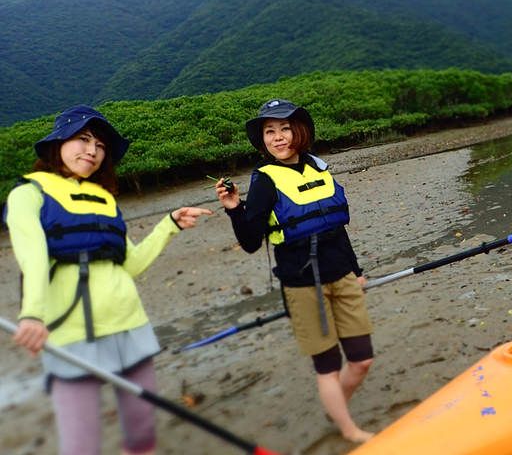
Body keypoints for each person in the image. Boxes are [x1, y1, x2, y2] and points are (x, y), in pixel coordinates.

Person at [6, 105, 212, 455]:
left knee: (143, 433)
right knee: (81, 446)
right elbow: (33, 259)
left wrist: (169, 225)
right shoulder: (28, 193)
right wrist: (33, 314)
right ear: (58, 142)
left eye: (101, 145)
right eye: (83, 139)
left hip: (130, 327)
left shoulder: (104, 199)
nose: (92, 151)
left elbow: (130, 266)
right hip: (71, 336)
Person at [215, 99, 375, 443]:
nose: (278, 137)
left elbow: (336, 228)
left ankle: (336, 409)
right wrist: (234, 209)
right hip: (303, 284)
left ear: (299, 131)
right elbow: (251, 242)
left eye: (284, 128)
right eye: (269, 132)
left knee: (361, 360)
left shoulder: (319, 167)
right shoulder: (264, 181)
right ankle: (348, 430)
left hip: (342, 274)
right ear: (262, 140)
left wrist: (356, 270)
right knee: (329, 367)